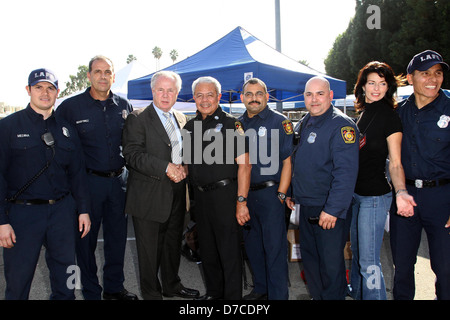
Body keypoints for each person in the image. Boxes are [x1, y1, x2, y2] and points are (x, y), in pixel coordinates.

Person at [0, 68, 91, 299]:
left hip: (61, 213)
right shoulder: (8, 127)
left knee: (66, 279)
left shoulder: (67, 129)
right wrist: (2, 221)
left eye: (50, 88)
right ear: (28, 90)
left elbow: (77, 173)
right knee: (18, 283)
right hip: (22, 214)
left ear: (57, 92)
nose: (44, 92)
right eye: (38, 87)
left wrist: (84, 210)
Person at [56, 56, 137, 300]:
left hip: (118, 183)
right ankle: (92, 291)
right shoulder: (70, 108)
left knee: (116, 240)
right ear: (89, 75)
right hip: (87, 185)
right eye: (98, 71)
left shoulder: (124, 105)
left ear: (113, 76)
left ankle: (114, 288)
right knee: (85, 241)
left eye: (108, 72)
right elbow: (61, 151)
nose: (103, 76)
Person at [122, 70, 199, 300]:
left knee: (172, 245)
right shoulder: (138, 118)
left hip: (177, 193)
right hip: (149, 195)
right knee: (148, 252)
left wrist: (184, 167)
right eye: (161, 90)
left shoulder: (181, 118)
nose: (166, 95)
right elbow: (132, 155)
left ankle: (172, 285)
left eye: (171, 90)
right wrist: (166, 167)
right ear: (153, 91)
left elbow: (183, 152)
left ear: (177, 93)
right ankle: (152, 294)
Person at [286, 76, 359, 300]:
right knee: (311, 262)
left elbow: (345, 173)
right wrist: (291, 192)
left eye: (319, 94)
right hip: (307, 205)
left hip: (328, 210)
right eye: (309, 94)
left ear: (330, 96)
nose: (314, 99)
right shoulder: (304, 122)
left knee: (330, 267)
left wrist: (333, 209)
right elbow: (298, 160)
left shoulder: (342, 125)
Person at [349, 61, 417, 300]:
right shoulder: (363, 114)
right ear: (363, 86)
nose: (376, 88)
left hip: (374, 198)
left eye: (382, 83)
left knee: (369, 262)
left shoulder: (390, 117)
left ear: (389, 87)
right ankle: (358, 295)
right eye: (371, 83)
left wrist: (401, 192)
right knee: (357, 255)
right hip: (355, 196)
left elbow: (395, 162)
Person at [183, 76, 251, 300]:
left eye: (209, 94)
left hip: (226, 196)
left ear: (218, 97)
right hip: (201, 199)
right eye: (200, 95)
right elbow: (187, 163)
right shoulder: (190, 126)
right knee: (208, 251)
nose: (204, 100)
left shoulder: (232, 124)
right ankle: (213, 294)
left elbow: (245, 165)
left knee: (229, 252)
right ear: (194, 98)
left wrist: (241, 202)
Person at [390, 50, 450, 300]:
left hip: (442, 198)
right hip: (406, 196)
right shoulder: (398, 113)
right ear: (410, 78)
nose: (433, 79)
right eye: (425, 73)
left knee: (446, 269)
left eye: (438, 73)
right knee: (402, 267)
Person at [238, 78, 293, 300]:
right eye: (249, 94)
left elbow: (288, 162)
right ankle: (260, 289)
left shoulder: (280, 122)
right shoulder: (237, 124)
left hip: (271, 196)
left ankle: (278, 295)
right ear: (242, 98)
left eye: (258, 93)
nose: (254, 98)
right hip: (247, 196)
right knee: (253, 247)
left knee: (274, 250)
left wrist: (281, 194)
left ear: (266, 96)